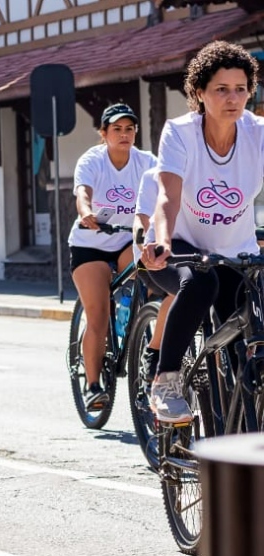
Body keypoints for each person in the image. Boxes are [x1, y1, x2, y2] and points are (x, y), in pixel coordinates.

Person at [143, 41, 264, 423]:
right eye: (221, 89)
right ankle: (166, 379)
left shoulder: (258, 134)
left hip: (235, 252)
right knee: (200, 284)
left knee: (247, 347)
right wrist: (161, 240)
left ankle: (235, 432)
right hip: (179, 248)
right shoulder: (180, 133)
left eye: (241, 89)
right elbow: (167, 197)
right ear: (199, 92)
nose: (233, 98)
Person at [67, 103, 156, 412]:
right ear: (103, 134)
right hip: (90, 243)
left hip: (126, 240)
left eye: (129, 129)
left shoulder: (146, 161)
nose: (124, 134)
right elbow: (82, 192)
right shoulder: (93, 160)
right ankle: (93, 384)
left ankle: (139, 328)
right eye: (116, 129)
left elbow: (167, 191)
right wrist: (87, 211)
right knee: (98, 312)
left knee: (147, 277)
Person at [132, 168, 174, 382]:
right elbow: (141, 220)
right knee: (184, 289)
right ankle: (154, 349)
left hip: (197, 254)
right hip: (152, 259)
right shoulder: (152, 176)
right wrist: (142, 244)